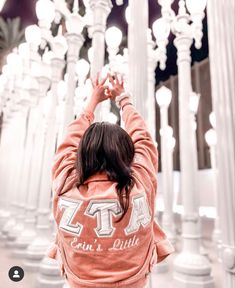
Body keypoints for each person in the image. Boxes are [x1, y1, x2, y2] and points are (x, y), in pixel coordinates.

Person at [47, 73, 174, 288]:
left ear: (82, 154)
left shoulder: (65, 182)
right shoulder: (140, 182)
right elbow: (143, 139)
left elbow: (67, 143)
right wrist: (123, 99)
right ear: (127, 153)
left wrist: (92, 102)